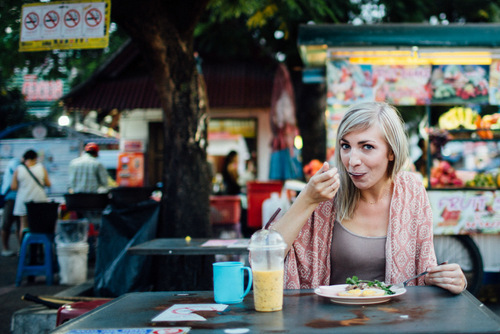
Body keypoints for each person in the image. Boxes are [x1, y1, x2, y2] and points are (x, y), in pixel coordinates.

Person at [272, 101, 467, 295]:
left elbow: (424, 271)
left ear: (391, 152)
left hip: (396, 320)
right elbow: (268, 254)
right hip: (331, 321)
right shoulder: (326, 194)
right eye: (345, 146)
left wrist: (452, 279)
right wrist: (307, 198)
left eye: (367, 147)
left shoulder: (412, 191)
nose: (352, 161)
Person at [11, 150, 51, 241]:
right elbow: (48, 184)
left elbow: (13, 187)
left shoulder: (18, 169)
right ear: (35, 158)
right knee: (39, 225)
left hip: (23, 201)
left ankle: (22, 250)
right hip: (39, 201)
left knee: (23, 226)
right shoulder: (41, 168)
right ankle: (39, 248)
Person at [1, 158, 21, 256]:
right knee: (10, 224)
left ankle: (19, 248)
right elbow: (12, 186)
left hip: (13, 199)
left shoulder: (13, 165)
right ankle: (7, 248)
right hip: (12, 199)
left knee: (16, 224)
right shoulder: (15, 164)